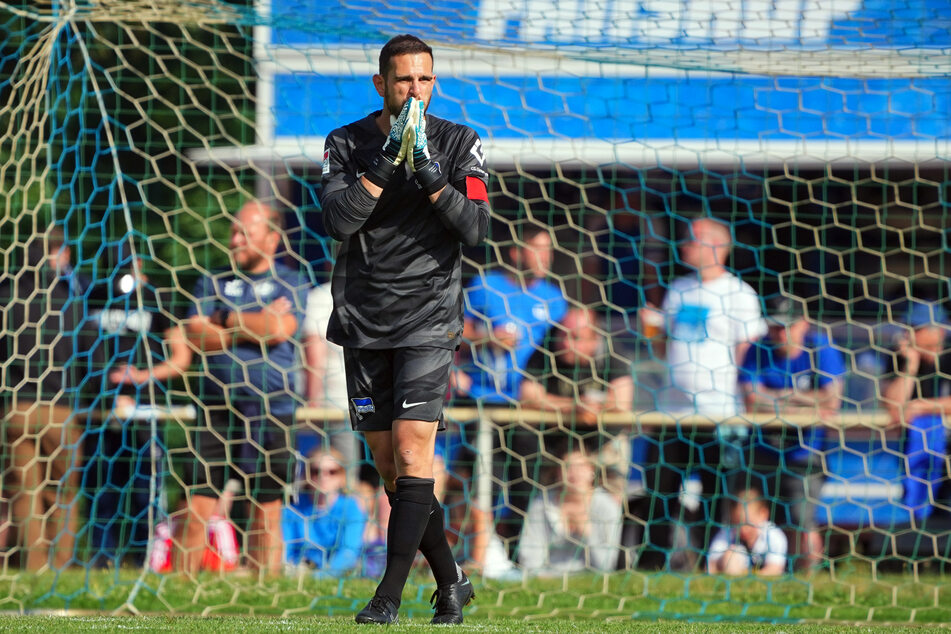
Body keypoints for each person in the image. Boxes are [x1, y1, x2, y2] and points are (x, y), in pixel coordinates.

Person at [319, 34, 490, 624]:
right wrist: (386, 162)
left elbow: (476, 230)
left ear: (434, 83)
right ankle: (452, 580)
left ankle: (387, 597)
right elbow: (339, 221)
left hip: (428, 317)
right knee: (391, 468)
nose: (413, 90)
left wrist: (432, 177)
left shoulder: (460, 142)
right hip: (363, 319)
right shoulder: (345, 142)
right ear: (381, 85)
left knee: (417, 451)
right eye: (402, 81)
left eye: (423, 80)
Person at [181, 200, 309, 576]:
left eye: (245, 233)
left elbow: (280, 330)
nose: (234, 239)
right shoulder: (212, 280)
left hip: (274, 406)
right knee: (199, 500)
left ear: (271, 239)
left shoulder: (292, 280)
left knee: (266, 506)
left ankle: (264, 587)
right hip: (216, 404)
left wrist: (225, 319)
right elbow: (195, 335)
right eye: (234, 231)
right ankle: (179, 589)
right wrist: (255, 324)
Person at [638, 217, 767, 570]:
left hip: (718, 412)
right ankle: (652, 564)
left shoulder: (739, 294)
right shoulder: (678, 288)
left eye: (693, 240)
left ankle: (708, 562)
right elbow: (666, 350)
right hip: (671, 410)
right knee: (660, 490)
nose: (685, 246)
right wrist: (651, 330)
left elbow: (748, 354)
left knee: (714, 492)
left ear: (718, 246)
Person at [85, 246, 193, 568]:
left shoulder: (160, 299)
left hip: (147, 412)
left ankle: (144, 561)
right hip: (101, 412)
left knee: (145, 490)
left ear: (141, 262)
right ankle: (101, 562)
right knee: (102, 490)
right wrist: (102, 388)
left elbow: (181, 358)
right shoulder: (96, 296)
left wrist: (142, 377)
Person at [0, 228, 94, 570]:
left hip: (17, 408)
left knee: (25, 493)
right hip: (61, 409)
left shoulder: (7, 294)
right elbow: (89, 351)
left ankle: (33, 567)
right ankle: (61, 565)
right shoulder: (70, 297)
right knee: (63, 493)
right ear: (61, 253)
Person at [739, 297, 846, 571]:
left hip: (804, 452)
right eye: (775, 327)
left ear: (804, 323)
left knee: (802, 520)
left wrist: (778, 397)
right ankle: (759, 571)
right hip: (761, 448)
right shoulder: (757, 348)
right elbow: (751, 399)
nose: (781, 334)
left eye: (788, 327)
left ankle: (807, 580)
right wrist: (805, 399)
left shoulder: (819, 347)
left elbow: (831, 400)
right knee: (751, 514)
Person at [456, 223, 568, 406]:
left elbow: (563, 347)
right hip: (481, 394)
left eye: (549, 250)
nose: (546, 257)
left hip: (532, 399)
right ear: (516, 253)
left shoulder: (554, 298)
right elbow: (457, 334)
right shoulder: (485, 285)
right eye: (538, 249)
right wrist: (488, 338)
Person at [881, 299, 950, 523]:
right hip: (915, 450)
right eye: (907, 328)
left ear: (938, 331)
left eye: (916, 329)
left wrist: (922, 406)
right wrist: (909, 367)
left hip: (943, 451)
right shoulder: (898, 356)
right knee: (921, 521)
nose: (908, 335)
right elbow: (894, 409)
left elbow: (911, 408)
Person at [517, 448, 622, 576]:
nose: (574, 473)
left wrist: (588, 534)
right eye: (567, 467)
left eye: (581, 466)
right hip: (547, 578)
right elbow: (530, 562)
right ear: (558, 473)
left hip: (589, 578)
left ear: (592, 470)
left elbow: (605, 566)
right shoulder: (542, 504)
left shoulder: (606, 506)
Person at [302, 280, 359, 482]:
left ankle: (347, 511)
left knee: (342, 477)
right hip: (377, 399)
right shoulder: (384, 288)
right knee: (383, 473)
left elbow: (315, 356)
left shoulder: (323, 295)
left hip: (337, 402)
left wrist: (312, 400)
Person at [283, 448, 367, 578]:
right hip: (298, 572)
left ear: (342, 477)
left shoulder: (351, 508)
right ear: (306, 475)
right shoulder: (292, 509)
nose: (323, 477)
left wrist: (319, 577)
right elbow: (286, 550)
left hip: (336, 573)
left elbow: (348, 552)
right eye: (316, 471)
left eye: (332, 472)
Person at [707, 488, 787, 577]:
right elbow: (710, 567)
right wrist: (725, 560)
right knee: (731, 555)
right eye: (737, 522)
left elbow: (774, 570)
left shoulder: (773, 535)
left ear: (763, 514)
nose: (743, 529)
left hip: (758, 581)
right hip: (733, 572)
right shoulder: (726, 533)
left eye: (748, 523)